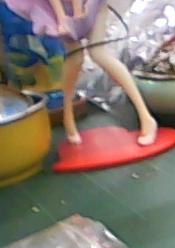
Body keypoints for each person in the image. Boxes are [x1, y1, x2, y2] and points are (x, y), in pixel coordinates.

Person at [5, 0, 158, 145]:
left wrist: (77, 12)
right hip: (62, 11)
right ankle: (68, 118)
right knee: (75, 58)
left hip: (90, 6)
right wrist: (62, 18)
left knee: (98, 53)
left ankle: (146, 117)